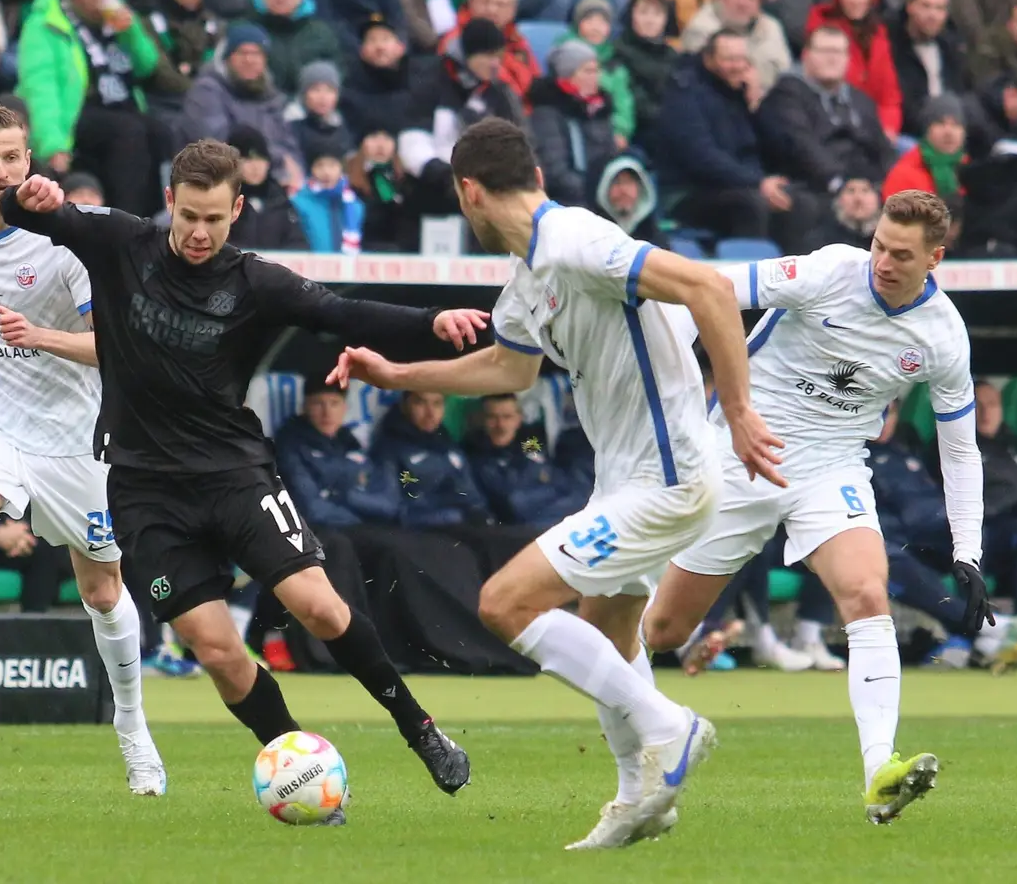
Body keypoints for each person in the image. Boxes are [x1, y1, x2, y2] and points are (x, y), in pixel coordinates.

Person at [327, 115, 785, 850]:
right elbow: (508, 368)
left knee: (504, 603)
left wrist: (737, 411)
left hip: (669, 477)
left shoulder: (577, 241)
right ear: (534, 175)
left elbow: (707, 288)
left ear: (467, 191)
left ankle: (672, 727)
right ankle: (641, 798)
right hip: (625, 481)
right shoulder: (530, 273)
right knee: (607, 625)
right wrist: (396, 373)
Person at [0, 139, 488, 824]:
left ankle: (420, 728)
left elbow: (341, 312)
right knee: (217, 648)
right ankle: (299, 768)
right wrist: (30, 197)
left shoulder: (255, 282)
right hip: (144, 490)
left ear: (238, 210)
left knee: (316, 605)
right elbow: (26, 215)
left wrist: (430, 323)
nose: (199, 234)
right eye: (188, 216)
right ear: (169, 202)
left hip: (234, 473)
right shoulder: (120, 244)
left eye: (215, 220)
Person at [638, 189, 997, 825]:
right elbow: (709, 287)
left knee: (867, 592)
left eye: (902, 255)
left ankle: (879, 776)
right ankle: (623, 709)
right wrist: (674, 387)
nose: (883, 261)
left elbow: (961, 451)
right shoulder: (828, 270)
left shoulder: (943, 336)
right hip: (740, 454)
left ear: (935, 259)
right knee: (663, 631)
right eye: (880, 244)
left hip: (831, 467)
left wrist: (967, 550)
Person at [0, 105, 164, 794]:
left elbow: (114, 348)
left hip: (72, 435)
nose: (0, 171)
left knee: (102, 590)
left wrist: (39, 337)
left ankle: (133, 729)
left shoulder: (68, 241)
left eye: (11, 157)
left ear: (29, 162)